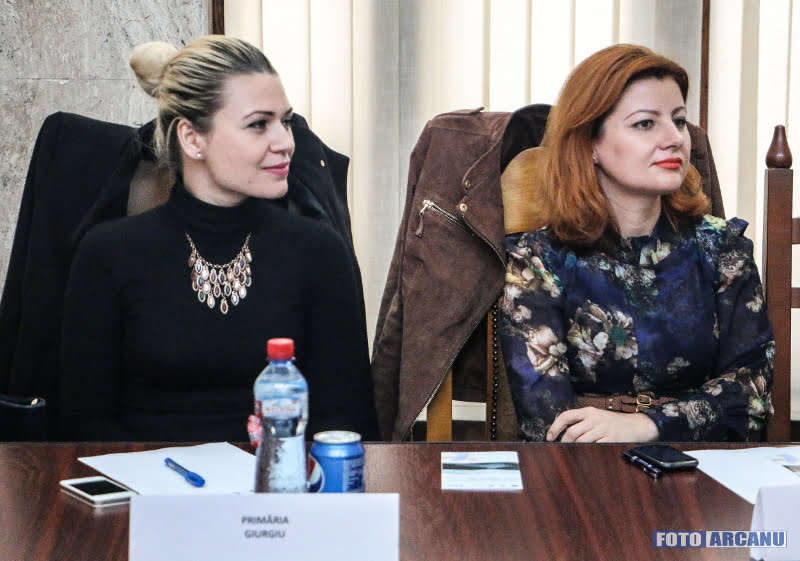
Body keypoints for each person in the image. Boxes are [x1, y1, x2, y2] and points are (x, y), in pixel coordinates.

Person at [58, 36, 379, 441]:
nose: (286, 142)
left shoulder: (317, 250)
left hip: (281, 475)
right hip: (142, 476)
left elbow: (345, 420)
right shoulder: (109, 253)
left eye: (286, 121)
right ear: (193, 138)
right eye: (259, 124)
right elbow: (85, 426)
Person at [497, 44, 773, 443]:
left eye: (679, 121)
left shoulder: (723, 247)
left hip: (700, 463)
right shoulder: (538, 259)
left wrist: (650, 424)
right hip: (583, 462)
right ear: (589, 143)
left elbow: (753, 392)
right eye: (645, 123)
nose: (675, 138)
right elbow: (545, 418)